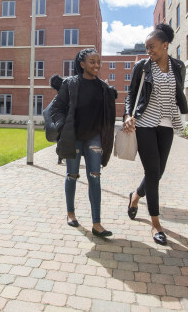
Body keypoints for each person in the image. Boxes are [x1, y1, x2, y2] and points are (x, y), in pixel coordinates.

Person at [122, 23, 188, 246]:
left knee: (158, 173)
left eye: (152, 46)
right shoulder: (142, 66)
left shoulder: (179, 66)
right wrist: (128, 115)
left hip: (167, 124)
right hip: (145, 125)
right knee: (152, 171)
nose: (148, 50)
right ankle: (156, 223)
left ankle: (135, 196)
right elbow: (131, 94)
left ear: (165, 45)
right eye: (147, 47)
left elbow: (177, 92)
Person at [49, 48, 117, 238]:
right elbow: (56, 108)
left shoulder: (103, 87)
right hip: (73, 136)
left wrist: (112, 98)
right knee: (72, 175)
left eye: (98, 62)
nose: (97, 65)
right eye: (92, 62)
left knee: (95, 176)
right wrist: (62, 126)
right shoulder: (70, 84)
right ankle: (71, 213)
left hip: (93, 137)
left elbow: (107, 115)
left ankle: (97, 223)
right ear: (82, 64)